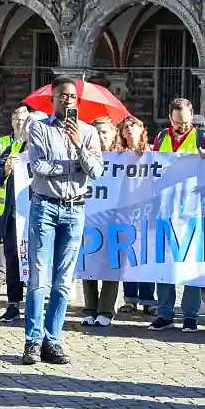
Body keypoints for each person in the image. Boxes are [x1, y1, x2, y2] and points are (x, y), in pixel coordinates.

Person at [23, 77, 104, 365]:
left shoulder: (89, 133)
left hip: (75, 210)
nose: (67, 100)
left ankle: (52, 341)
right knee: (38, 278)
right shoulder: (39, 129)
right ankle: (32, 341)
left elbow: (95, 171)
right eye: (62, 96)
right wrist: (73, 166)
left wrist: (78, 146)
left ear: (77, 101)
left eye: (72, 96)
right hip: (44, 207)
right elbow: (38, 166)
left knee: (63, 282)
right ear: (53, 100)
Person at [148, 98, 205, 333]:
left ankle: (190, 315)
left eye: (185, 123)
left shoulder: (201, 138)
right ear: (170, 119)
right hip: (165, 210)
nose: (181, 127)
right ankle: (164, 313)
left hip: (193, 210)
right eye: (177, 123)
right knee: (164, 263)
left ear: (192, 117)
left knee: (191, 265)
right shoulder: (160, 139)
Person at [0, 110, 47, 323]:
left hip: (42, 214)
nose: (31, 131)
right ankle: (13, 304)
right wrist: (5, 168)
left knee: (38, 261)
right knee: (14, 259)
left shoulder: (50, 152)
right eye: (29, 127)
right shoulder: (14, 149)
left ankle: (37, 304)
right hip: (15, 215)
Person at [115, 115, 156, 316]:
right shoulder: (118, 156)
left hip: (146, 210)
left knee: (145, 255)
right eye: (125, 127)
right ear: (121, 133)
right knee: (127, 255)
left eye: (133, 126)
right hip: (124, 211)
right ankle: (130, 298)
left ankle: (148, 299)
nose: (129, 129)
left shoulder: (151, 153)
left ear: (142, 129)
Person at [81, 116, 120, 327]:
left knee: (111, 265)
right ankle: (89, 308)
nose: (102, 137)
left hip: (116, 219)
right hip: (90, 217)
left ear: (114, 132)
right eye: (97, 133)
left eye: (105, 132)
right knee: (88, 263)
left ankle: (105, 310)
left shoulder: (124, 157)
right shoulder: (86, 155)